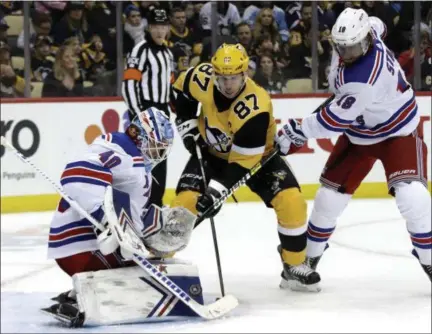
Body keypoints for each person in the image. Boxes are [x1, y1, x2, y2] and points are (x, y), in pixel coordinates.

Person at [276, 8, 431, 282]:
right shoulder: (367, 31)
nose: (348, 54)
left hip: (398, 131)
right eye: (343, 48)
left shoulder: (364, 78)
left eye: (355, 47)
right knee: (328, 198)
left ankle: (430, 259)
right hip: (359, 132)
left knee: (412, 196)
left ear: (367, 41)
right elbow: (380, 24)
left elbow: (332, 120)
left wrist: (298, 130)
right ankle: (305, 260)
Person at [171, 43, 321, 291]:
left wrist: (215, 194)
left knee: (291, 199)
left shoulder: (255, 107)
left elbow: (242, 165)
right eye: (222, 78)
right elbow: (180, 91)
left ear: (245, 74)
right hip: (211, 153)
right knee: (185, 203)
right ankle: (159, 257)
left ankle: (293, 264)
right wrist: (187, 125)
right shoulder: (202, 77)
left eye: (234, 78)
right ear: (214, 73)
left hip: (258, 159)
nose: (228, 84)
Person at [42, 107, 200, 327]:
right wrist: (107, 222)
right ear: (140, 136)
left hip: (74, 247)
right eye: (155, 148)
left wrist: (158, 223)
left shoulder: (123, 150)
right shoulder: (128, 157)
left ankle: (80, 292)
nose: (158, 156)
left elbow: (132, 214)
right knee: (148, 268)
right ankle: (90, 295)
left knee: (148, 255)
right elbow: (74, 173)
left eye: (162, 150)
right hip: (80, 249)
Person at [122, 8, 173, 208]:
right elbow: (128, 86)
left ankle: (155, 207)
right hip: (145, 112)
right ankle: (138, 208)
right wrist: (140, 115)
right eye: (156, 27)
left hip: (162, 113)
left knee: (160, 164)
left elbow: (169, 85)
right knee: (141, 165)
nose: (160, 31)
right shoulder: (139, 50)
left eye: (163, 26)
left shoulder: (167, 54)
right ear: (149, 28)